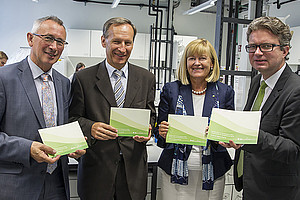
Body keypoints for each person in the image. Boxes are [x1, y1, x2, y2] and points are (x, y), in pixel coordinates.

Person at [69, 17, 156, 200]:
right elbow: (72, 118)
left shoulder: (146, 78)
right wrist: (90, 128)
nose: (122, 48)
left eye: (128, 42)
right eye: (116, 41)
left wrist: (149, 129)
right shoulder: (83, 78)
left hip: (133, 172)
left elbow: (151, 115)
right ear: (103, 41)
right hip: (96, 172)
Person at [0, 16, 85, 200]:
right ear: (30, 38)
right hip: (18, 185)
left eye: (60, 42)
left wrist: (71, 145)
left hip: (57, 184)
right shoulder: (4, 78)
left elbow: (59, 128)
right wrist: (27, 149)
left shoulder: (64, 83)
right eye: (48, 38)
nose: (54, 47)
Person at [220, 16, 300, 199]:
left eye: (266, 46)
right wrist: (231, 133)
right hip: (252, 183)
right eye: (252, 46)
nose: (257, 52)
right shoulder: (257, 82)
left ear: (285, 50)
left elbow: (292, 149)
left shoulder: (296, 90)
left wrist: (245, 135)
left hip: (277, 192)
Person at [155, 38, 234, 200]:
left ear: (212, 63)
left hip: (213, 171)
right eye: (192, 58)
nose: (197, 63)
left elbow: (228, 132)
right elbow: (158, 131)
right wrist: (161, 132)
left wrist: (223, 135)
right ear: (185, 63)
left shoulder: (225, 92)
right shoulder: (171, 90)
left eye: (202, 58)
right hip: (175, 171)